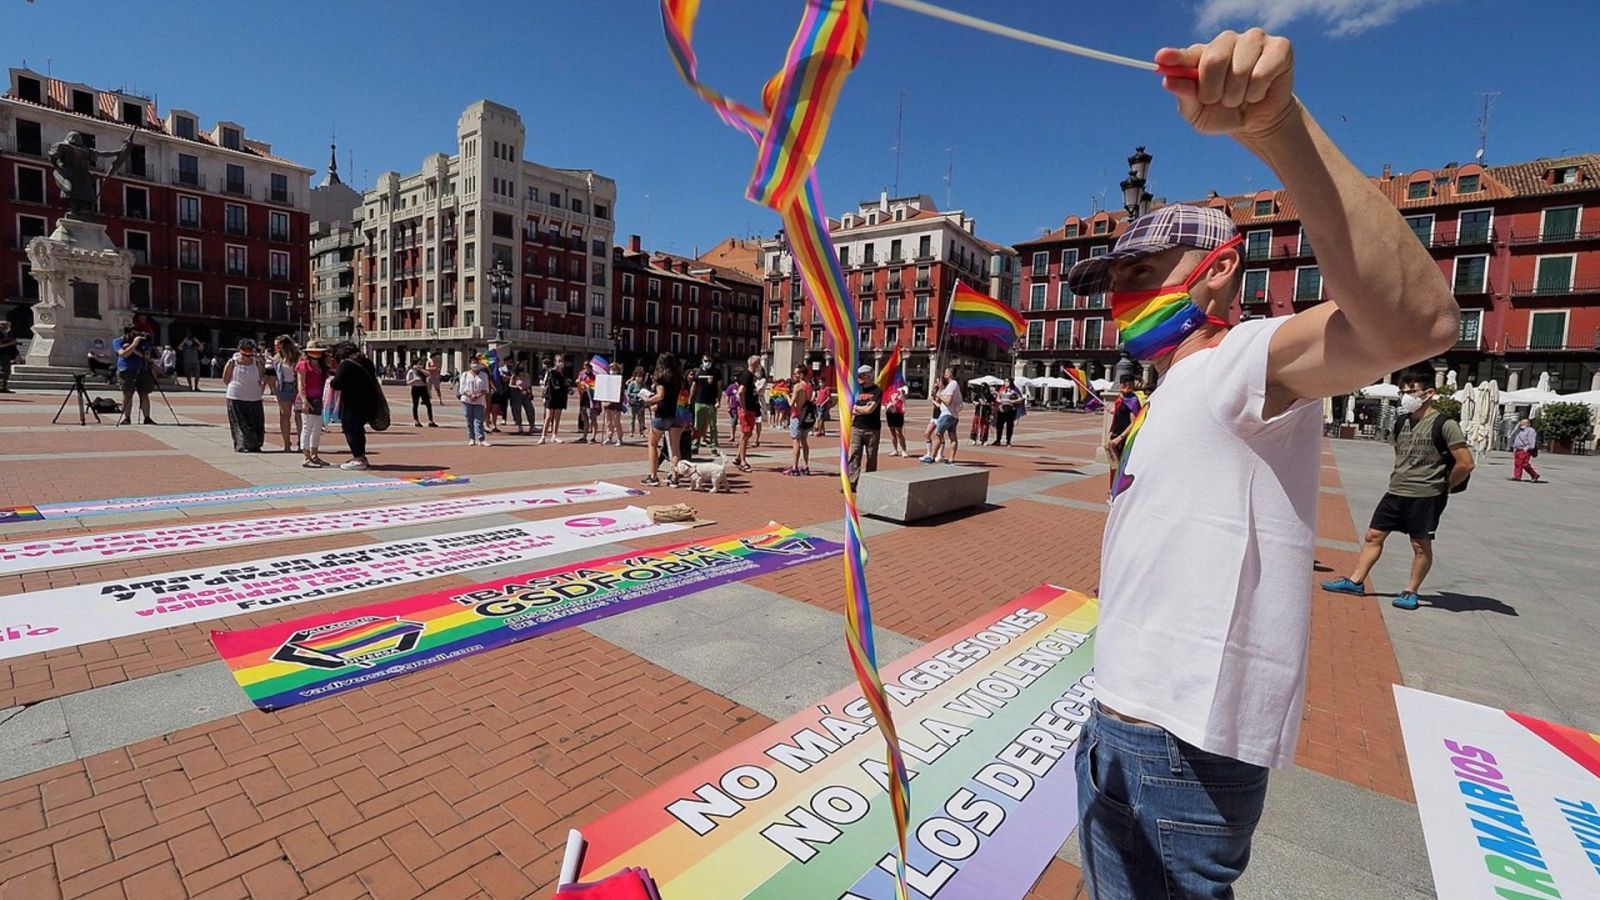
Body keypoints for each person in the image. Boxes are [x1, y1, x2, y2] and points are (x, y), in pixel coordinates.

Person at [1065, 30, 1463, 898]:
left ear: (1218, 269)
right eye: (1113, 281)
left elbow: (1415, 328)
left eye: (1142, 269)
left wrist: (1279, 127)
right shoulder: (1174, 386)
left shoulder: (1237, 360)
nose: (1123, 295)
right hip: (1121, 722)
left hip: (1179, 746)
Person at [1323, 373, 1474, 610]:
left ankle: (1410, 591)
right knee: (1373, 535)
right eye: (1402, 392)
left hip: (1426, 495)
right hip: (1396, 490)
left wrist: (1444, 486)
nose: (1405, 397)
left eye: (1411, 392)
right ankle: (1356, 581)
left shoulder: (1445, 425)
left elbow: (1465, 463)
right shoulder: (1400, 422)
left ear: (1429, 394)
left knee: (1420, 545)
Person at [329, 342, 381, 470]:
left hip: (352, 403)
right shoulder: (366, 362)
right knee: (359, 429)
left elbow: (336, 383)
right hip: (368, 401)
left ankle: (358, 458)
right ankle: (361, 456)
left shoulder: (346, 364)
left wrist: (331, 379)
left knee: (351, 429)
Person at [222, 339, 275, 452]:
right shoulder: (233, 362)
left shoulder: (255, 362)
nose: (247, 353)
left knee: (255, 422)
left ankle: (255, 444)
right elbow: (226, 379)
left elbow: (261, 376)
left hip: (254, 396)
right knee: (240, 422)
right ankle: (241, 445)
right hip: (236, 395)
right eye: (245, 350)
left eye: (250, 350)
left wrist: (261, 360)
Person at [641, 352, 684, 487]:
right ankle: (675, 477)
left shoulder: (661, 378)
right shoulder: (677, 378)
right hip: (674, 414)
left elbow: (660, 395)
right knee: (675, 447)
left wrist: (648, 400)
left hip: (661, 415)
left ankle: (653, 476)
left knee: (652, 444)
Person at [1105, 374, 1143, 493]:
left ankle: (1119, 491)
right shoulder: (1120, 399)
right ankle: (1113, 489)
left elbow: (1134, 422)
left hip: (1124, 438)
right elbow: (1116, 418)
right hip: (1115, 435)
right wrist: (1109, 435)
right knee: (1113, 464)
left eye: (1131, 385)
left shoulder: (1133, 400)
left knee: (1121, 465)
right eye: (1127, 385)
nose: (1129, 387)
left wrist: (1120, 438)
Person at [296, 341, 331, 467]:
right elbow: (300, 383)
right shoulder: (303, 365)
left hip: (319, 398)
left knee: (317, 428)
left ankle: (314, 455)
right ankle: (306, 457)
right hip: (308, 398)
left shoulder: (322, 366)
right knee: (307, 427)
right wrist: (304, 400)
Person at [847, 365, 882, 489]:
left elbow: (870, 409)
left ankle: (869, 482)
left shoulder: (877, 391)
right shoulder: (857, 390)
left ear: (869, 375)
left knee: (871, 455)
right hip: (857, 426)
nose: (859, 378)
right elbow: (850, 407)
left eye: (862, 375)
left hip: (872, 429)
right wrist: (859, 409)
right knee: (855, 454)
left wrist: (857, 409)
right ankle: (852, 481)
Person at [112, 326, 155, 425]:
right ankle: (127, 417)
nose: (136, 336)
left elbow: (147, 357)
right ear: (127, 333)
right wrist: (134, 344)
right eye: (133, 334)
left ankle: (147, 417)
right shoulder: (118, 341)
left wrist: (134, 348)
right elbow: (123, 354)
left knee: (144, 394)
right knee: (127, 394)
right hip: (126, 370)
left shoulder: (143, 342)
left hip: (142, 370)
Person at [921, 367, 961, 464]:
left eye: (947, 372)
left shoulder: (952, 385)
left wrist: (940, 396)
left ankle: (932, 456)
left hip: (947, 414)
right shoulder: (953, 385)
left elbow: (948, 401)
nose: (945, 373)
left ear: (951, 374)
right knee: (952, 437)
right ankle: (951, 459)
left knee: (938, 434)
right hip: (953, 415)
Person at [272, 336, 302, 452]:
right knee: (284, 416)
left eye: (278, 345)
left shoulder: (298, 357)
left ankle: (301, 443)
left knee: (299, 416)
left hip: (296, 388)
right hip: (283, 388)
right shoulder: (277, 358)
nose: (276, 347)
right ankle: (286, 444)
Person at [734, 355, 762, 473]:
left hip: (751, 408)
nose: (760, 366)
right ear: (755, 364)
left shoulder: (751, 377)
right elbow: (741, 392)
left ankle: (738, 456)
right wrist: (744, 407)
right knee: (745, 434)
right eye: (759, 363)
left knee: (748, 433)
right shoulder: (747, 376)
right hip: (747, 409)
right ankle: (743, 461)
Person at [784, 366, 814, 476]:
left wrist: (787, 396)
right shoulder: (809, 386)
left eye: (797, 373)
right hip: (806, 417)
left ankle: (795, 466)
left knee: (796, 441)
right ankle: (806, 465)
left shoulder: (798, 386)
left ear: (801, 375)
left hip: (797, 416)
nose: (795, 375)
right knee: (804, 441)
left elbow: (791, 404)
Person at [458, 359, 491, 446]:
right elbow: (462, 388)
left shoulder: (484, 375)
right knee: (469, 419)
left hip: (479, 401)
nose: (476, 365)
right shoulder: (465, 375)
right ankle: (471, 438)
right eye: (474, 363)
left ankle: (481, 439)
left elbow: (486, 388)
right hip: (467, 400)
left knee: (479, 420)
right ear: (470, 364)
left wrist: (478, 395)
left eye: (477, 363)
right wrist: (470, 395)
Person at [692, 354, 722, 453]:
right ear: (702, 360)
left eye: (709, 360)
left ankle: (713, 446)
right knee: (697, 426)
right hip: (699, 401)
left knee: (713, 425)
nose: (707, 362)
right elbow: (694, 386)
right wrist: (690, 399)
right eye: (705, 360)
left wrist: (718, 400)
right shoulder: (697, 372)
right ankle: (695, 445)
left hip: (711, 402)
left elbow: (719, 388)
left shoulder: (716, 372)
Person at [539, 354, 569, 444]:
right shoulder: (551, 372)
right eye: (559, 361)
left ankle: (554, 435)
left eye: (562, 361)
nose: (560, 363)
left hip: (561, 396)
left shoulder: (564, 373)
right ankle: (543, 436)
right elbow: (552, 384)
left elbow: (566, 384)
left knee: (557, 417)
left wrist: (568, 387)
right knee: (548, 417)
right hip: (551, 396)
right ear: (555, 362)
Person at [406, 358, 437, 427]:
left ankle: (431, 421)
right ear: (414, 364)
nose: (420, 365)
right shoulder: (411, 372)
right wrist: (414, 380)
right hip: (415, 388)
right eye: (419, 364)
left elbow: (428, 374)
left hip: (423, 388)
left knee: (428, 404)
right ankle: (416, 421)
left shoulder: (422, 371)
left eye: (421, 364)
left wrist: (420, 369)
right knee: (415, 404)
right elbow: (408, 382)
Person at [507, 364, 536, 434]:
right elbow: (510, 385)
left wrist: (531, 393)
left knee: (530, 409)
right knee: (517, 410)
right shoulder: (514, 376)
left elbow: (530, 385)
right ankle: (520, 426)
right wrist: (517, 387)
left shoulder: (527, 375)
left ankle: (532, 426)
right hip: (517, 394)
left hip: (526, 394)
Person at [1510, 417, 1541, 483]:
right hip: (1518, 450)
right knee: (1518, 464)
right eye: (1521, 422)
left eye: (1523, 423)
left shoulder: (1531, 430)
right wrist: (1514, 447)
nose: (1521, 424)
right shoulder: (1520, 430)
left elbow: (1532, 440)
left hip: (1524, 450)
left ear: (1528, 424)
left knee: (1524, 464)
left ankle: (1534, 475)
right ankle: (1517, 476)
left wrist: (1528, 448)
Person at [993, 379, 1022, 446]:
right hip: (1001, 410)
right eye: (1005, 382)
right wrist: (1000, 401)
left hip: (1010, 410)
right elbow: (998, 398)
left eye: (1008, 382)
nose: (1006, 383)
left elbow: (1020, 399)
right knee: (999, 425)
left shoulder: (1014, 390)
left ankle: (1008, 441)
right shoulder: (1002, 389)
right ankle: (998, 440)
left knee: (1009, 426)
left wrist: (1013, 401)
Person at [884, 380, 908, 457]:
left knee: (899, 432)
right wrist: (887, 406)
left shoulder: (901, 390)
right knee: (892, 432)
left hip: (898, 412)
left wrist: (904, 407)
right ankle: (895, 450)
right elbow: (886, 401)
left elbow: (903, 400)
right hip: (890, 412)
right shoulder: (888, 391)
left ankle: (903, 450)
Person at [627, 367, 648, 436]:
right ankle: (631, 432)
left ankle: (641, 432)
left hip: (641, 404)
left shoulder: (643, 384)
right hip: (633, 403)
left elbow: (646, 392)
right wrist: (635, 395)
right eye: (637, 376)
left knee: (641, 419)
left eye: (640, 376)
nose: (639, 378)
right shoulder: (632, 384)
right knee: (632, 418)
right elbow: (628, 393)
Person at [0, 321, 16, 393]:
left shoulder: (7, 334)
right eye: (7, 326)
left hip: (6, 355)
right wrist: (11, 343)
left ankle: (3, 386)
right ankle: (2, 387)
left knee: (6, 371)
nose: (8, 328)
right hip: (2, 355)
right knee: (4, 371)